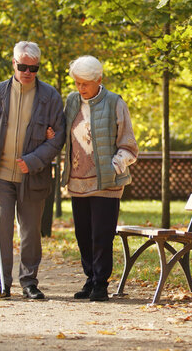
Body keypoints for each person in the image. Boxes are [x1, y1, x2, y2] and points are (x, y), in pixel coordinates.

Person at [0, 41, 66, 299]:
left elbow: (58, 137)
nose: (27, 72)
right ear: (13, 63)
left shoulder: (50, 97)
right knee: (2, 228)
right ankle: (1, 282)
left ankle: (29, 282)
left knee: (31, 232)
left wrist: (34, 160)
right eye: (23, 66)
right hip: (0, 175)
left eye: (33, 68)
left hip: (33, 176)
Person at [60, 55, 138, 302]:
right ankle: (90, 278)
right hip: (78, 179)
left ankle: (101, 283)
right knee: (83, 234)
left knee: (101, 234)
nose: (80, 88)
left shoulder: (115, 102)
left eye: (85, 83)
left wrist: (116, 164)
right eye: (77, 83)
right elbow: (64, 132)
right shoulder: (72, 102)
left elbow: (129, 143)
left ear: (99, 80)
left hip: (106, 182)